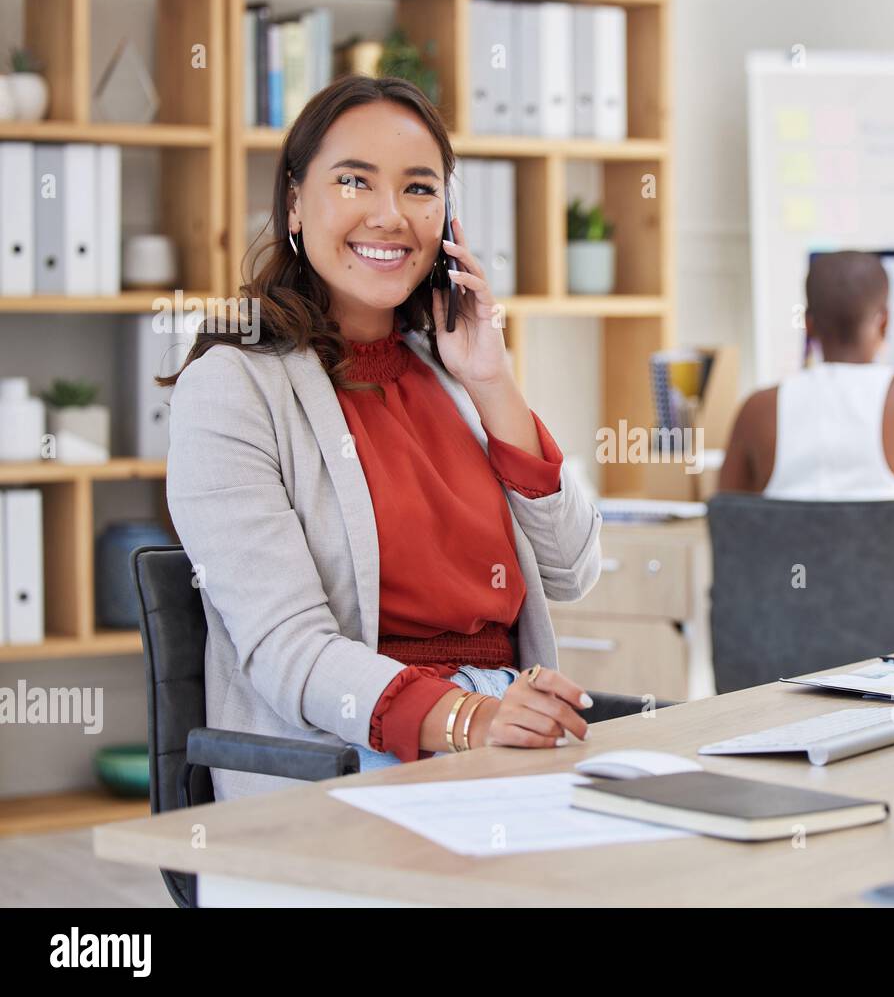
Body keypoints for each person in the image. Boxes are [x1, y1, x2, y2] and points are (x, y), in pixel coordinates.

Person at [160, 76, 601, 800]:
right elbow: (289, 651)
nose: (390, 215)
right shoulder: (233, 389)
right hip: (346, 750)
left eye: (420, 189)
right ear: (296, 203)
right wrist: (468, 716)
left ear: (448, 220)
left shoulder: (457, 372)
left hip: (502, 734)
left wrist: (493, 383)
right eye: (355, 181)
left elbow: (572, 570)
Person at [719, 251, 894, 502]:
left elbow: (728, 520)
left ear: (808, 325)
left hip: (791, 542)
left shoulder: (757, 410)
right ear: (884, 322)